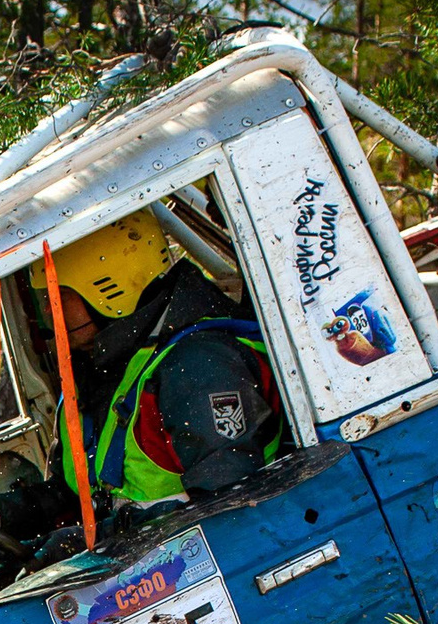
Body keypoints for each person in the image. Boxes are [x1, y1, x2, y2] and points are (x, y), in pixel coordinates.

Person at [36, 210, 281, 531]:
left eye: (56, 296)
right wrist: (9, 514)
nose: (45, 312)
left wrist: (109, 533)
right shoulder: (97, 375)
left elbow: (230, 504)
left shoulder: (197, 366)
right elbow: (76, 490)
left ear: (104, 282)